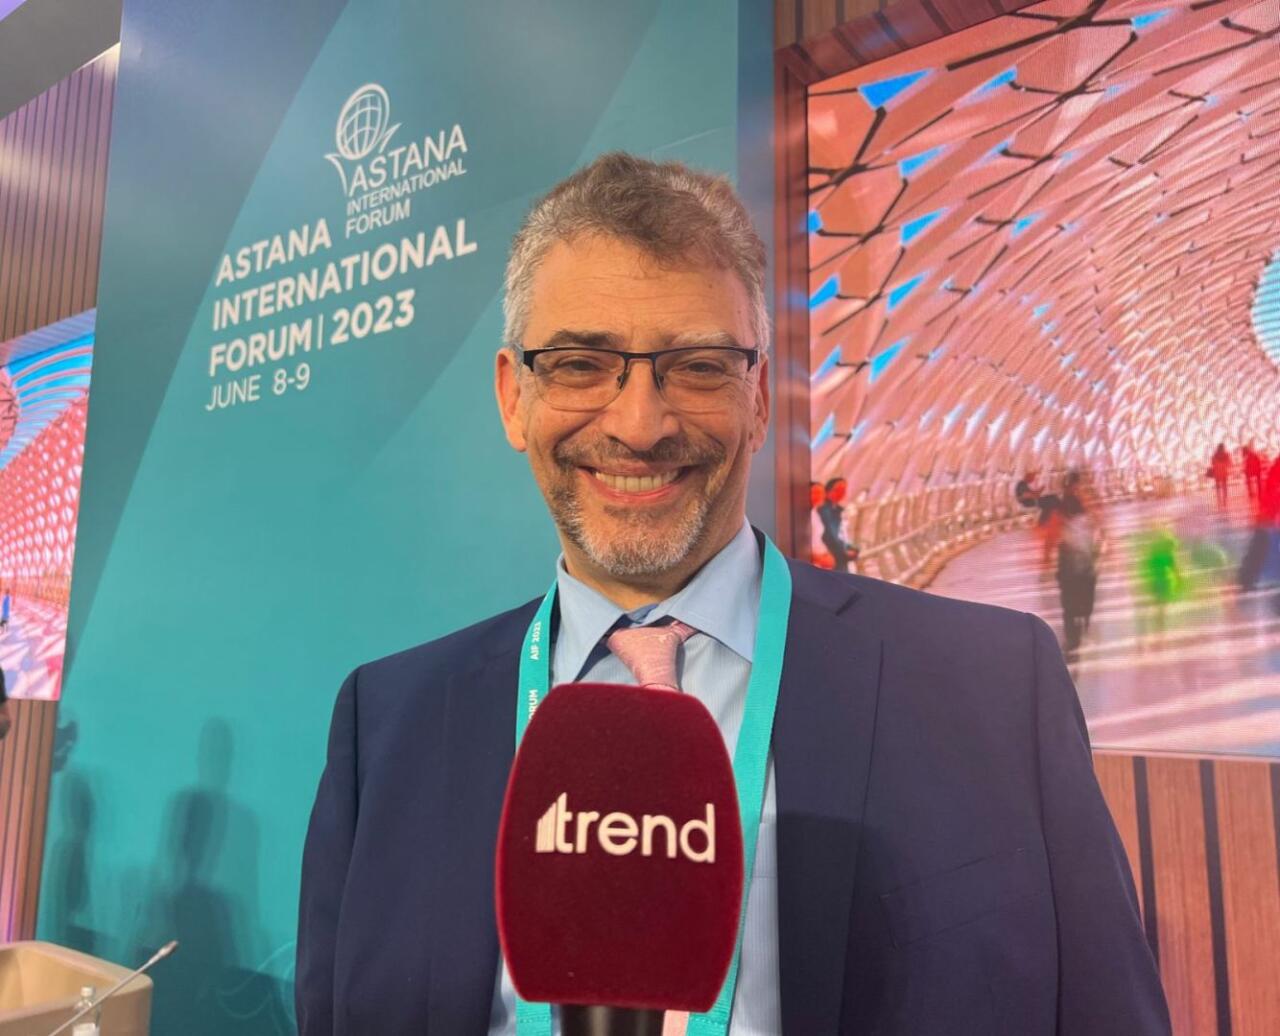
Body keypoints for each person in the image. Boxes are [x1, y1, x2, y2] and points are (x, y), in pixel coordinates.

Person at [297, 153, 1169, 1035]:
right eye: (580, 363)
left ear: (758, 397)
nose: (640, 425)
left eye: (699, 366)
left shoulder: (990, 689)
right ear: (513, 397)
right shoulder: (390, 727)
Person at [817, 476, 857, 572]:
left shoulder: (838, 510)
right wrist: (845, 552)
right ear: (828, 491)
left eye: (843, 490)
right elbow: (831, 535)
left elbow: (842, 535)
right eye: (837, 490)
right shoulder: (824, 511)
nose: (841, 493)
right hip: (832, 556)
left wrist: (852, 548)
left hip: (839, 556)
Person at [1209, 443, 1231, 509]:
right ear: (1223, 448)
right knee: (1224, 485)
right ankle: (1225, 498)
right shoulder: (1226, 454)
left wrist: (1217, 464)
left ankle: (1219, 498)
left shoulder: (1215, 455)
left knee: (1218, 486)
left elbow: (1212, 463)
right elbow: (1229, 463)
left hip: (1217, 472)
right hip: (1223, 472)